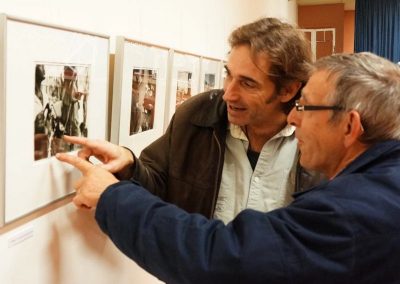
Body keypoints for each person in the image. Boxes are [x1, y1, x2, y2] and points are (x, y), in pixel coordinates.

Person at [57, 52, 400, 283]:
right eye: (228, 76)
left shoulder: (354, 211)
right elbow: (164, 177)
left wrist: (112, 197)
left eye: (306, 107)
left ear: (350, 126)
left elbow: (225, 256)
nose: (295, 117)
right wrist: (130, 167)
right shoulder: (198, 117)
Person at [61, 17, 321, 224]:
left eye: (247, 83)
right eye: (229, 75)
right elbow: (159, 185)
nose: (228, 93)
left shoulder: (317, 143)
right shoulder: (198, 115)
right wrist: (128, 162)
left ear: (287, 90)